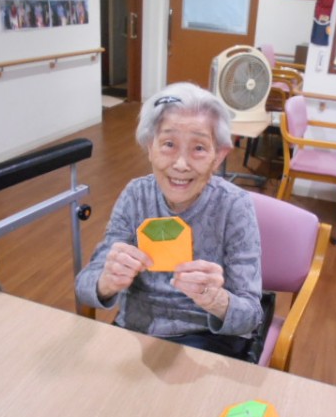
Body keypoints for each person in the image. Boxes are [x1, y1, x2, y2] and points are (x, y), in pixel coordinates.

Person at [75, 82, 263, 360]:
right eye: (169, 144)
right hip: (135, 331)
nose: (181, 164)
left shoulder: (234, 205)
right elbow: (84, 287)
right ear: (150, 147)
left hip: (206, 337)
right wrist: (107, 281)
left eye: (199, 148)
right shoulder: (136, 195)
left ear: (218, 156)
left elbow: (251, 316)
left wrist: (217, 299)